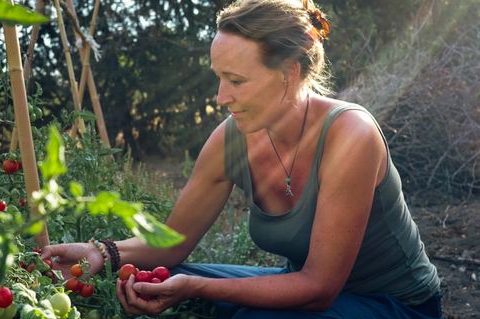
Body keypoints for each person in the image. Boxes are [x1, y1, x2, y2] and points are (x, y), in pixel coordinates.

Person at [41, 0, 442, 317]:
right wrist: (102, 253)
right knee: (155, 279)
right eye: (219, 77)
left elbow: (319, 288)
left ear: (288, 72)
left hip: (394, 304)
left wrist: (197, 289)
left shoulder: (350, 135)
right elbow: (171, 244)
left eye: (236, 80)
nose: (220, 97)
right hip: (300, 286)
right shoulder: (232, 139)